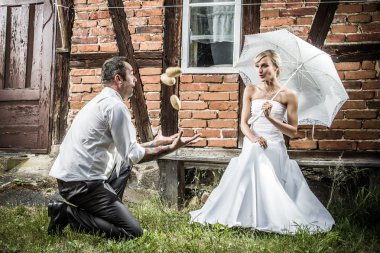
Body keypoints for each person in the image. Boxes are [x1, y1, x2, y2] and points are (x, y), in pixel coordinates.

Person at [48, 56, 200, 239]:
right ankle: (66, 213)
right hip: (81, 184)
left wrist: (157, 143)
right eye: (131, 74)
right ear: (118, 79)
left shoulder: (102, 101)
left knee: (124, 165)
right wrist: (170, 149)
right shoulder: (115, 107)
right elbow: (134, 156)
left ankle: (107, 214)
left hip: (72, 180)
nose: (135, 79)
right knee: (132, 232)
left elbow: (128, 150)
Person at [190, 50, 335, 234]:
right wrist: (253, 138)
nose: (259, 69)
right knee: (254, 151)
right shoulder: (251, 90)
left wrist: (271, 118)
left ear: (276, 67)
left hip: (275, 145)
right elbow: (243, 123)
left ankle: (218, 201)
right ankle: (218, 203)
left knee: (258, 154)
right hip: (254, 142)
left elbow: (292, 132)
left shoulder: (289, 95)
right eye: (257, 66)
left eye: (265, 65)